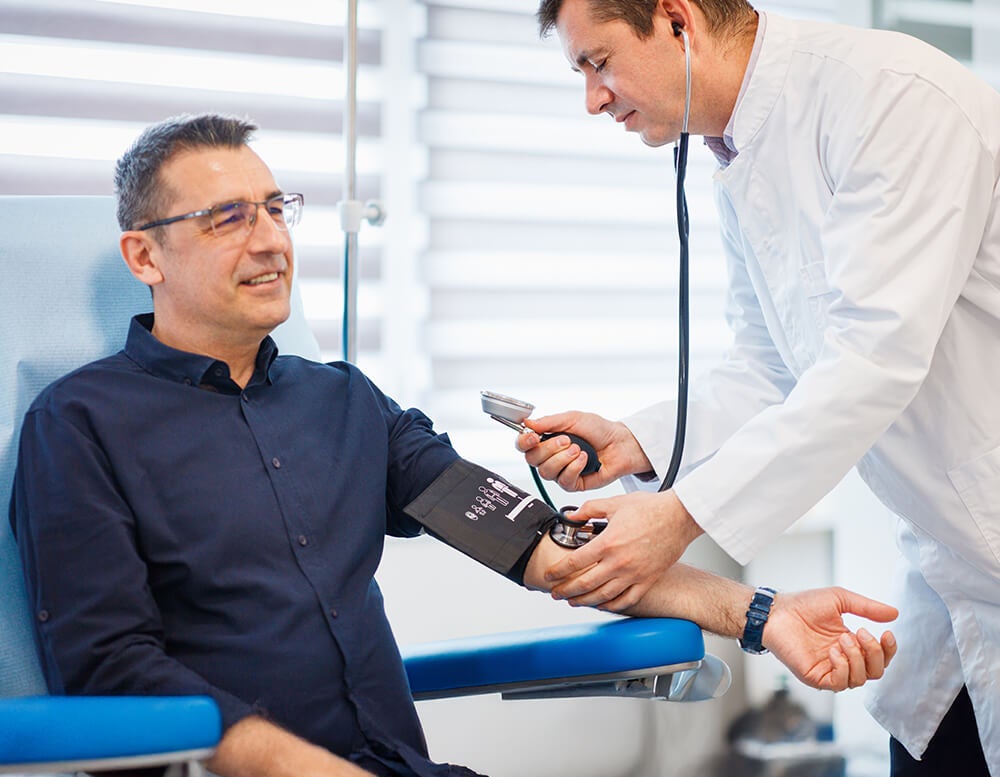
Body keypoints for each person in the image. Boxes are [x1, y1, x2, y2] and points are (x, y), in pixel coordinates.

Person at [11, 113, 896, 777]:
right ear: (145, 256)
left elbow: (540, 543)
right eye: (228, 217)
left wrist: (761, 613)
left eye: (276, 208)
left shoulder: (346, 402)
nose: (273, 239)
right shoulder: (79, 426)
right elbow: (110, 666)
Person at [519, 1, 1000, 775]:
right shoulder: (741, 152)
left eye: (598, 62)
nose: (593, 98)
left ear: (677, 21)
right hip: (953, 576)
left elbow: (871, 361)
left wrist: (677, 519)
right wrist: (637, 440)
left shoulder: (893, 99)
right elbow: (771, 366)